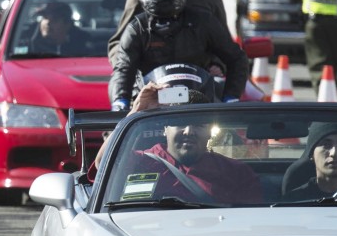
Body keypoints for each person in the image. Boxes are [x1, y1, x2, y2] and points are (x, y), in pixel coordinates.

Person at [109, 0, 247, 110]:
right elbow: (123, 69)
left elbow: (236, 58)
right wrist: (120, 100)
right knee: (115, 131)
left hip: (201, 104)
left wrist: (231, 97)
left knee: (232, 129)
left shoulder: (203, 21)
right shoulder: (137, 28)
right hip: (150, 104)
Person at [103, 83, 262, 204]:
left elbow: (251, 223)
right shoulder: (142, 161)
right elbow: (102, 164)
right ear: (165, 129)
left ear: (210, 132)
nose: (188, 131)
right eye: (180, 123)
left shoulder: (236, 173)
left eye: (198, 125)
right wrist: (137, 110)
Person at [27, 1, 91, 56]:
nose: (48, 23)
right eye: (45, 18)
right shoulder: (29, 43)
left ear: (67, 24)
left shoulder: (81, 46)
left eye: (55, 19)